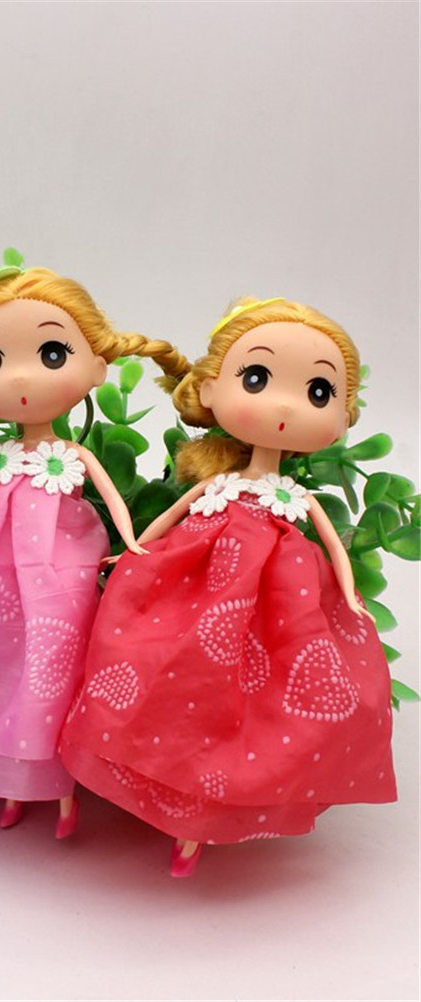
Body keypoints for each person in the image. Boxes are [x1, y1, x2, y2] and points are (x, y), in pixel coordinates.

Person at [59, 297, 397, 875]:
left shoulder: (295, 496)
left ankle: (202, 821)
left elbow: (332, 546)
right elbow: (170, 518)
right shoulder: (217, 484)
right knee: (169, 676)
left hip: (281, 600)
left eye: (318, 392)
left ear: (343, 418)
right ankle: (167, 793)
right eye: (257, 378)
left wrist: (347, 593)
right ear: (210, 389)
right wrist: (133, 549)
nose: (285, 406)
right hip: (196, 585)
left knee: (256, 702)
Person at [0, 253, 189, 837]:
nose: (19, 378)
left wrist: (132, 544)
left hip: (57, 579)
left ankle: (61, 795)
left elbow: (112, 500)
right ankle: (8, 784)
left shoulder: (71, 455)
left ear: (97, 367)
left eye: (50, 354)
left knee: (51, 677)